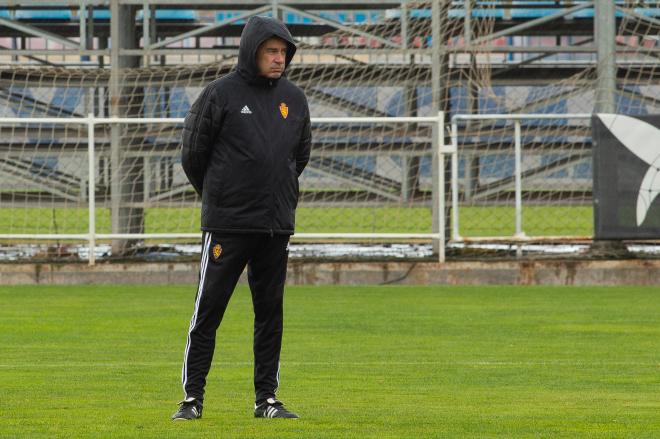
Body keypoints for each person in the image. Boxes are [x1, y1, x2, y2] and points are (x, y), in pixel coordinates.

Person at [171, 16, 311, 421]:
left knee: (270, 314)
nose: (279, 58)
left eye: (283, 52)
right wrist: (220, 196)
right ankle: (191, 399)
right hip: (227, 225)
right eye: (271, 51)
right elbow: (192, 155)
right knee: (208, 311)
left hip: (275, 225)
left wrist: (275, 192)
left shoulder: (295, 99)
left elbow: (297, 158)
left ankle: (266, 400)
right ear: (252, 51)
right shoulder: (220, 94)